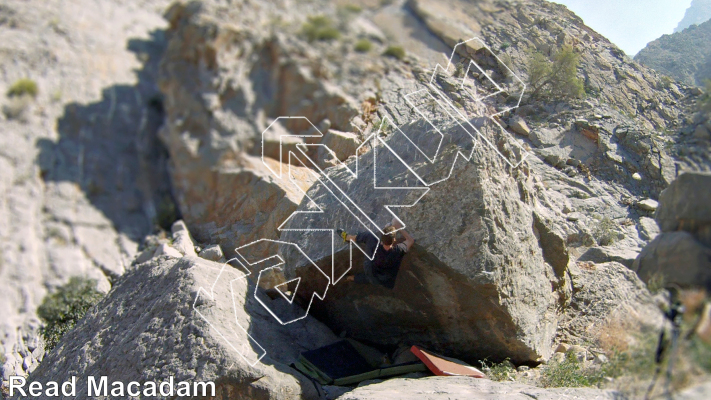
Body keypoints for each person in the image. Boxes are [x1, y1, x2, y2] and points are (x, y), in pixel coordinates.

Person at [338, 218, 414, 289]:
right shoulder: (398, 251)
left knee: (369, 236)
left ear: (381, 239)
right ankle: (349, 278)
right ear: (394, 240)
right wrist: (398, 227)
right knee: (368, 279)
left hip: (370, 270)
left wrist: (391, 227)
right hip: (384, 279)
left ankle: (348, 237)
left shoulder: (374, 244)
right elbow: (410, 241)